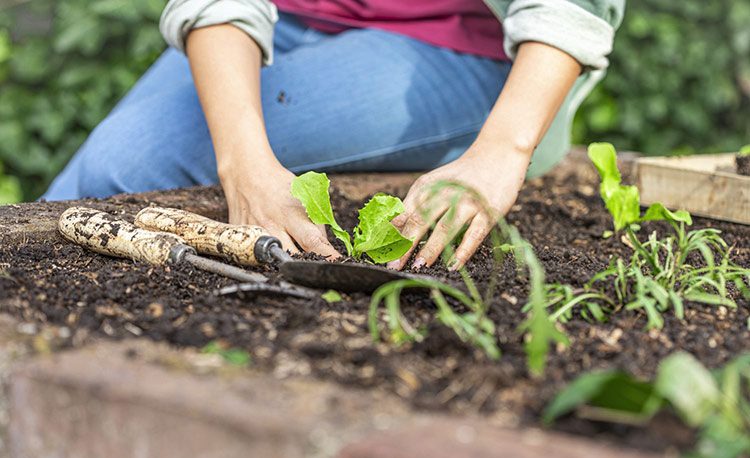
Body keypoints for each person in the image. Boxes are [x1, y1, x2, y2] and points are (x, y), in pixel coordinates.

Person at [44, 0, 624, 270]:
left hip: (461, 46)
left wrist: (504, 148)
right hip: (276, 19)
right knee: (76, 186)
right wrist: (242, 166)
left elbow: (568, 10)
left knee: (128, 158)